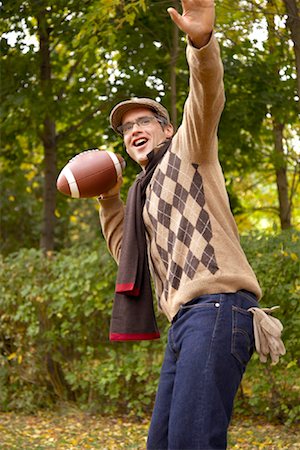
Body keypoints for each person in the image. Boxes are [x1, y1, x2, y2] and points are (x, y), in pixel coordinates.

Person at [98, 1, 262, 448]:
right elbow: (126, 255)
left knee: (191, 441)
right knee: (164, 443)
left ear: (167, 129)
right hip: (185, 322)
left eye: (143, 121)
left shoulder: (190, 150)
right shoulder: (143, 192)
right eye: (126, 127)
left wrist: (201, 42)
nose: (133, 129)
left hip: (218, 309)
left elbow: (206, 94)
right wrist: (109, 199)